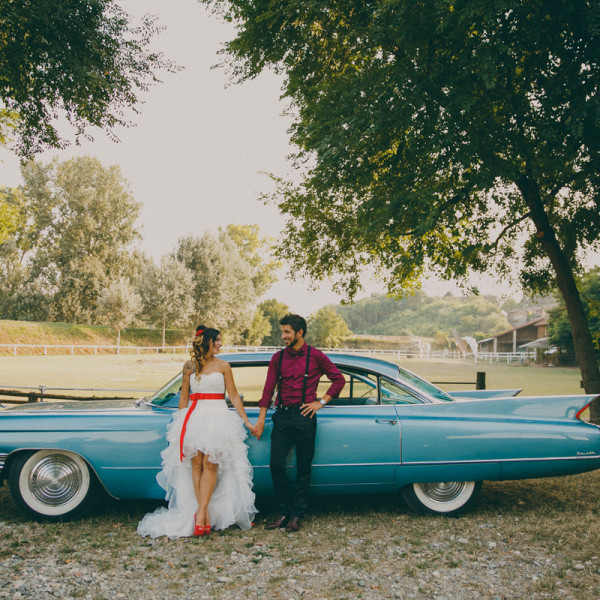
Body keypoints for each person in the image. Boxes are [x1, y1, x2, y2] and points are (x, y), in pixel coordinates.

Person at [138, 326, 257, 539]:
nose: (220, 344)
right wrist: (180, 421)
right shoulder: (190, 366)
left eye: (220, 340)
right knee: (195, 464)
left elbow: (234, 395)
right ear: (206, 341)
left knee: (211, 464)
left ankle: (202, 512)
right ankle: (199, 512)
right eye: (217, 340)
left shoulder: (224, 366)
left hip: (218, 418)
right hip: (194, 417)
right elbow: (184, 396)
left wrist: (245, 420)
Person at [255, 314, 345, 532]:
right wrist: (260, 419)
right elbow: (268, 389)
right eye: (283, 331)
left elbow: (338, 379)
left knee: (304, 467)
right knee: (276, 465)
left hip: (305, 416)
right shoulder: (278, 358)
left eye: (287, 332)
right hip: (283, 416)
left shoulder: (315, 356)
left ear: (299, 333)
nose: (283, 336)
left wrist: (320, 402)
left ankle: (297, 515)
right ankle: (284, 511)